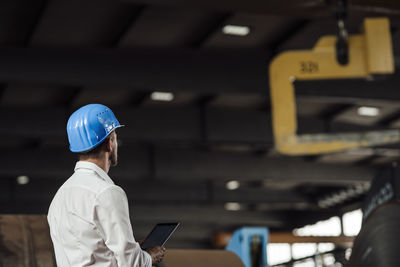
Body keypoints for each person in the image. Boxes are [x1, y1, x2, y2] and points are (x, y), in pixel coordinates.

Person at [48, 104, 165, 266]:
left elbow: (89, 250)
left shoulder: (59, 197)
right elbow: (131, 263)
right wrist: (149, 257)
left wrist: (133, 247)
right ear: (110, 143)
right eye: (115, 137)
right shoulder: (106, 192)